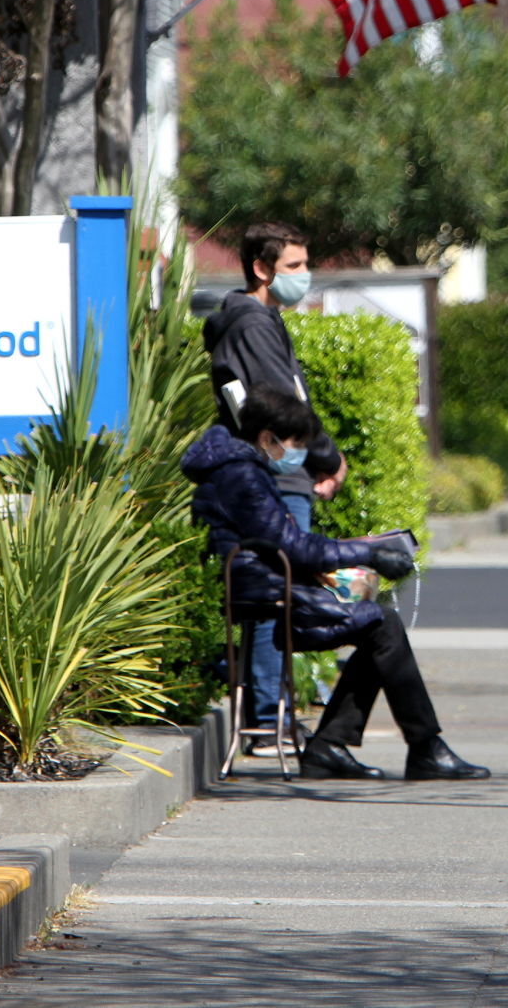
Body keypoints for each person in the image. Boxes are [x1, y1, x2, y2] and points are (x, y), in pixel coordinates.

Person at [183, 386, 490, 782]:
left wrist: (359, 551)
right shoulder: (241, 474)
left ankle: (336, 746)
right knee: (383, 626)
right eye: (292, 444)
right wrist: (366, 553)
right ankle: (420, 747)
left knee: (379, 629)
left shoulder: (237, 468)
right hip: (265, 593)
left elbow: (285, 541)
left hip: (263, 586)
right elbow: (292, 546)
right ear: (266, 438)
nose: (295, 455)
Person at [202, 222, 348, 750]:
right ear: (261, 269)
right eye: (292, 267)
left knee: (273, 597)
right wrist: (327, 459)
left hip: (280, 473)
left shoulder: (256, 320)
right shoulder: (253, 326)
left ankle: (269, 713)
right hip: (278, 476)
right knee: (274, 599)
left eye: (305, 265)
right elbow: (281, 406)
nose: (302, 277)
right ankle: (267, 720)